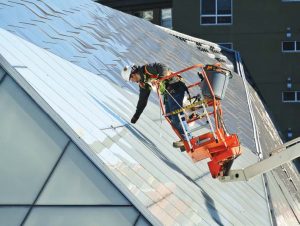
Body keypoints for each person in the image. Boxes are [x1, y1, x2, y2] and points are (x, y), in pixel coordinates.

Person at [121, 63, 191, 147]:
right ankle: (185, 136)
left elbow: (164, 67)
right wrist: (136, 116)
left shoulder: (147, 69)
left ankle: (187, 139)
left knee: (176, 113)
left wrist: (159, 79)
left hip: (175, 85)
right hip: (168, 92)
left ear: (133, 74)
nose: (133, 81)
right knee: (169, 115)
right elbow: (142, 100)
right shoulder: (144, 83)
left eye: (131, 79)